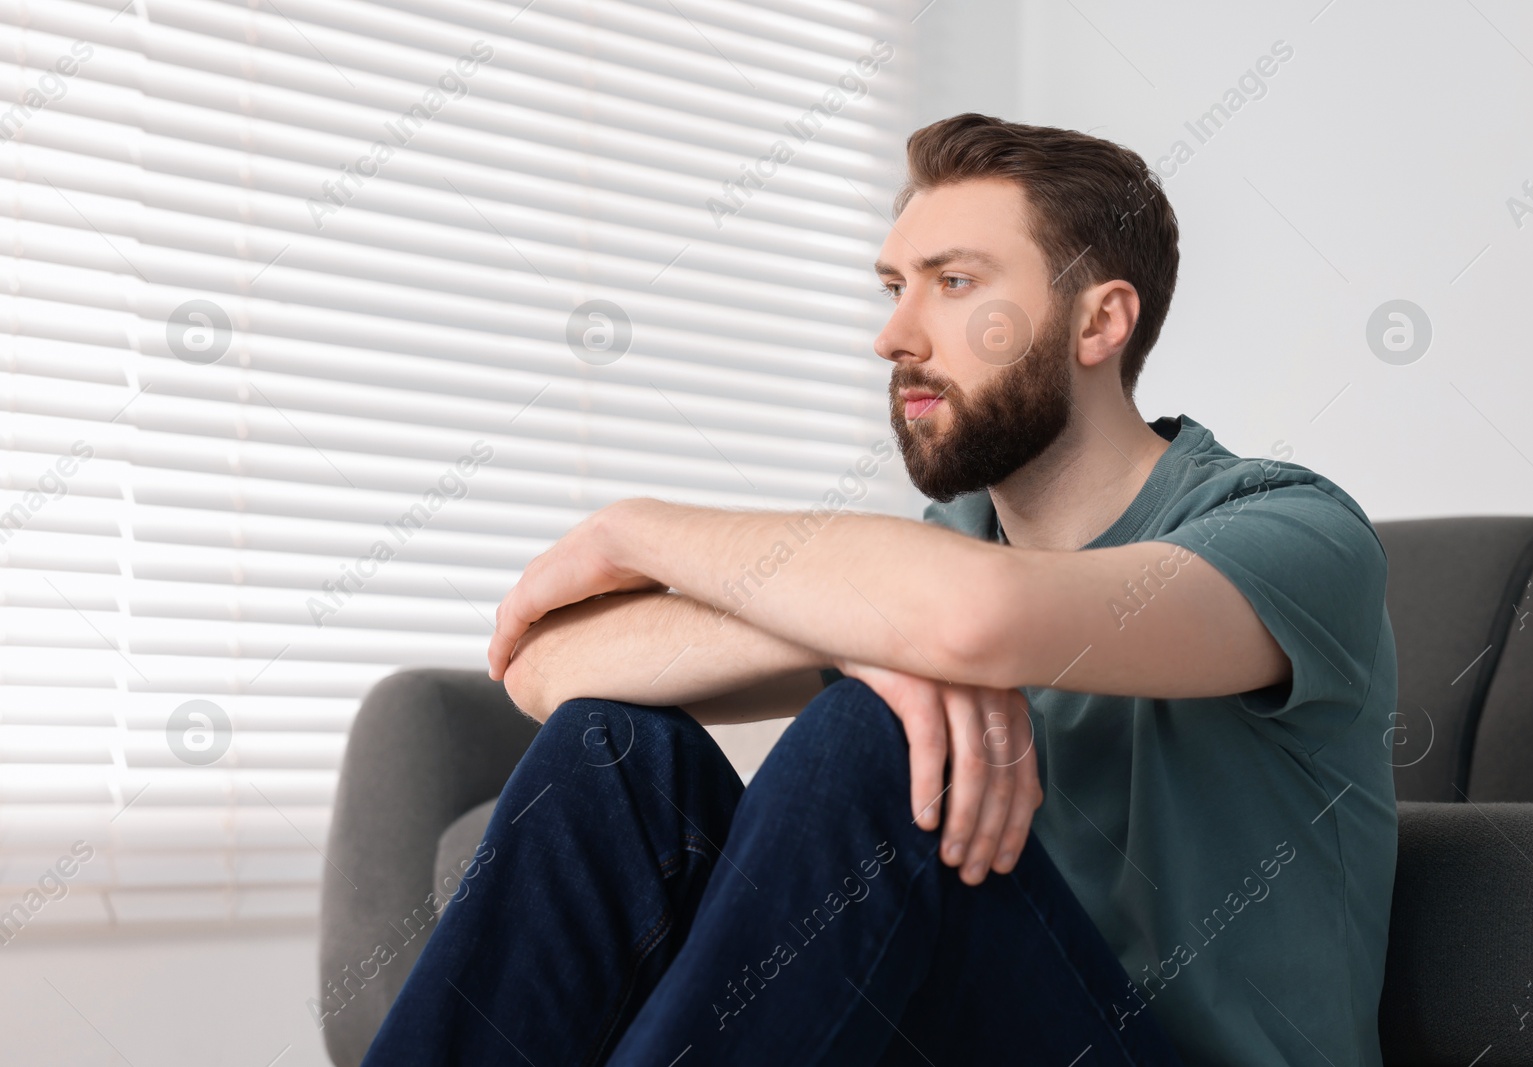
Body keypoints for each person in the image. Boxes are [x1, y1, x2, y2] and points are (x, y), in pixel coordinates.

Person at [361, 113, 1397, 1067]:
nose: (893, 335)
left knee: (874, 733)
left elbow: (979, 616)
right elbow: (548, 668)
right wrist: (867, 640)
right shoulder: (930, 564)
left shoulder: (1288, 534)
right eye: (891, 284)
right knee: (619, 753)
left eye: (952, 282)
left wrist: (634, 527)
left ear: (1098, 323)